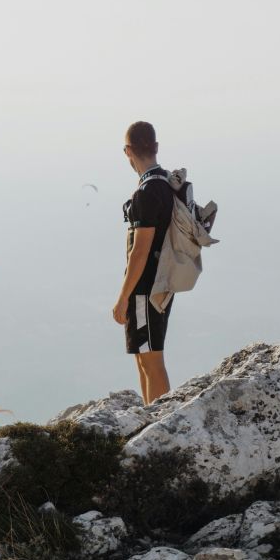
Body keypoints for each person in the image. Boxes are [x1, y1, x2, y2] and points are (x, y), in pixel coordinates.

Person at [112, 121, 175, 405]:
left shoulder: (145, 193)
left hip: (145, 287)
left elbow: (140, 251)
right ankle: (150, 414)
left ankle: (162, 422)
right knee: (142, 357)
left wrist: (123, 297)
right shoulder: (165, 182)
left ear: (128, 151)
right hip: (162, 279)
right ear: (156, 147)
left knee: (151, 360)